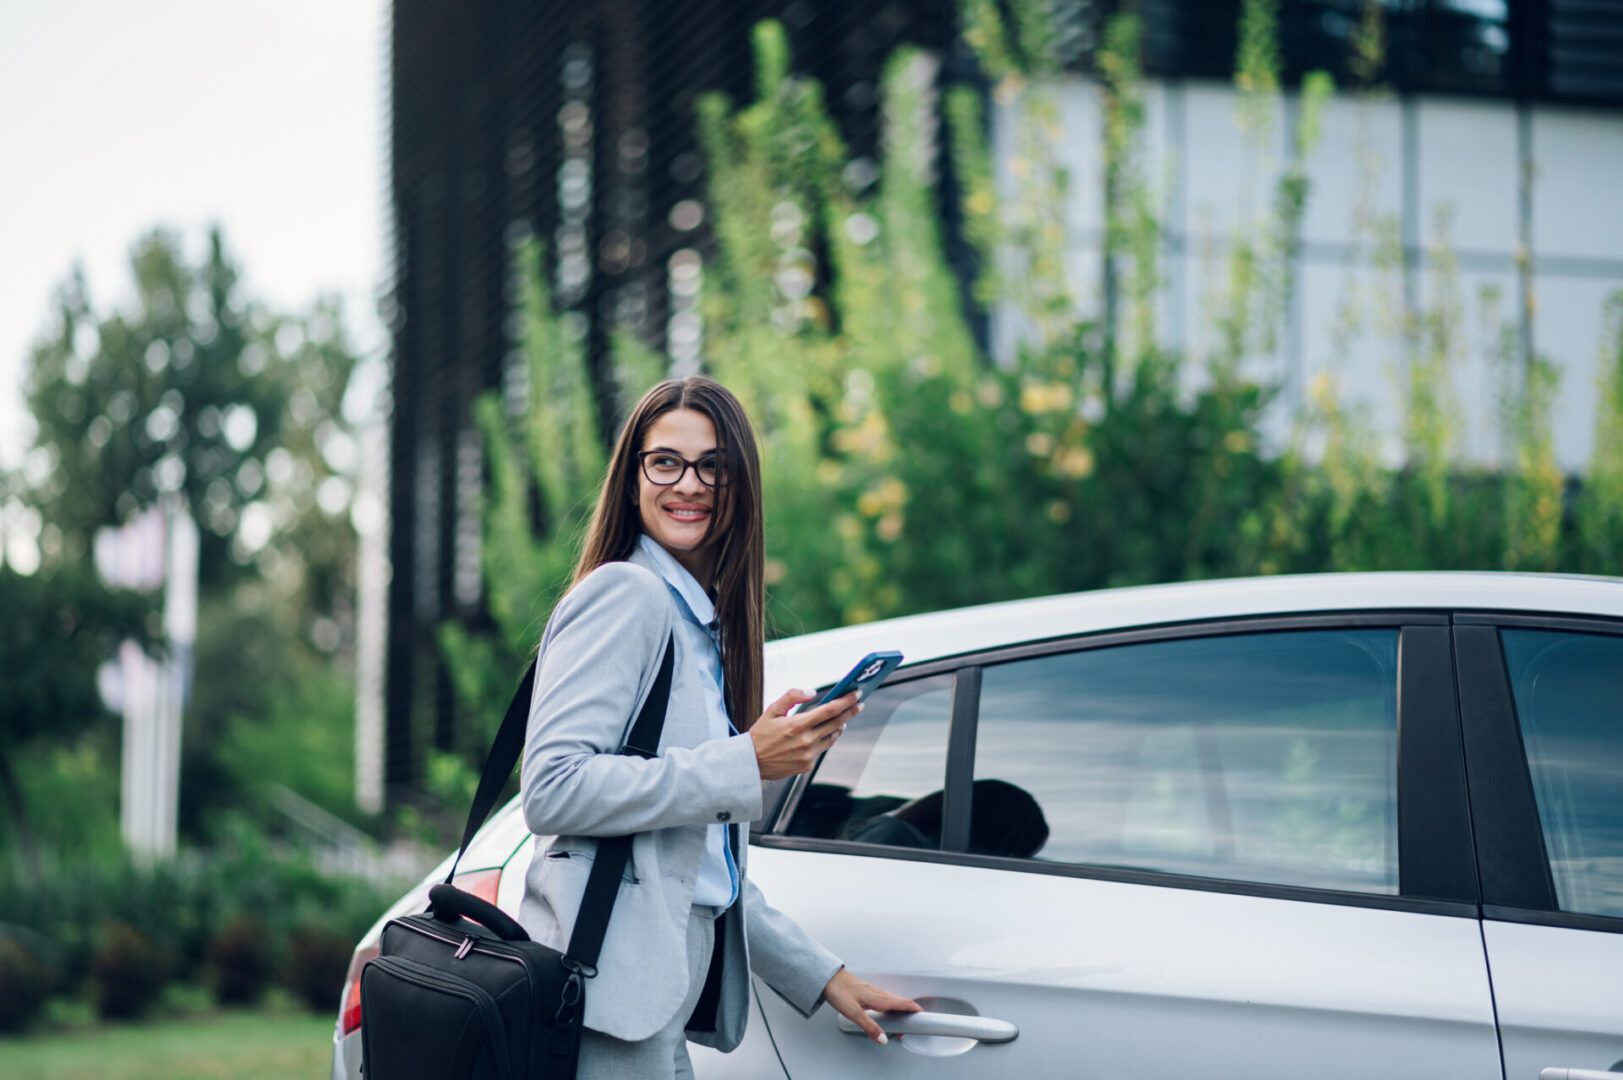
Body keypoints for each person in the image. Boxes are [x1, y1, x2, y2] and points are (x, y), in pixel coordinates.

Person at [519, 375, 920, 1078]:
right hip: (606, 994)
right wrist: (744, 762)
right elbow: (551, 788)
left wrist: (819, 976)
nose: (690, 484)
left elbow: (701, 868)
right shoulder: (626, 595)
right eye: (665, 461)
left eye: (714, 466)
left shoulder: (700, 629)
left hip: (659, 994)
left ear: (739, 485)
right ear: (633, 477)